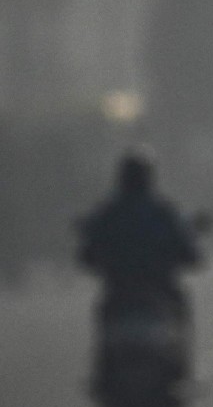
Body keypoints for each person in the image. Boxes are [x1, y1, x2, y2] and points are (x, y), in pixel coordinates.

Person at [76, 151, 203, 390]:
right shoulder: (163, 211)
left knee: (104, 314)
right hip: (156, 287)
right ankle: (184, 372)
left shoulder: (109, 211)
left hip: (124, 288)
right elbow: (190, 253)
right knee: (180, 312)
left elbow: (85, 255)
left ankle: (102, 373)